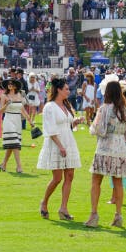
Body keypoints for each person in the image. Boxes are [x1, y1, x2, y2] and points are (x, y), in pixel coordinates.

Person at [86, 77, 126, 228]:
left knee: (96, 181)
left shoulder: (104, 108)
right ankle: (118, 215)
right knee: (117, 182)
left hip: (105, 147)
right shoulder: (124, 110)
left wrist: (94, 130)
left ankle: (94, 214)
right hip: (120, 148)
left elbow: (98, 129)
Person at [38, 76, 81, 220]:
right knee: (57, 178)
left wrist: (75, 122)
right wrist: (60, 146)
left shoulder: (66, 106)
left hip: (68, 141)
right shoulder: (50, 107)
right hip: (57, 143)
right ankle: (44, 202)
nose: (68, 91)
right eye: (66, 89)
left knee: (69, 176)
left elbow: (66, 125)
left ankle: (64, 208)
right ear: (58, 90)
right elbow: (50, 129)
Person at [0, 78, 25, 173]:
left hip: (17, 120)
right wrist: (6, 104)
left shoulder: (19, 95)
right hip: (8, 119)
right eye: (8, 84)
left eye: (12, 83)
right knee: (15, 144)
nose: (10, 85)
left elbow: (22, 109)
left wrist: (30, 121)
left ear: (15, 86)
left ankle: (3, 164)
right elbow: (1, 110)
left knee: (12, 144)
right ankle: (19, 166)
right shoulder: (4, 96)